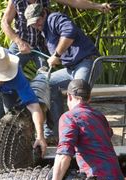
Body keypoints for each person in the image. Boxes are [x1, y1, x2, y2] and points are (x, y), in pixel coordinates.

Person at [45, 79, 126, 180]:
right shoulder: (99, 116)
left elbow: (64, 153)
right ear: (89, 98)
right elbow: (109, 134)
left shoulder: (69, 117)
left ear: (69, 97)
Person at [24, 3, 104, 138]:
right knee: (47, 83)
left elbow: (69, 32)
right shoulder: (44, 30)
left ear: (44, 13)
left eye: (37, 21)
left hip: (87, 62)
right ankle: (56, 132)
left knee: (78, 92)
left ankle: (83, 136)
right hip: (71, 68)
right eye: (33, 23)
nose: (36, 25)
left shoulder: (54, 18)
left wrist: (56, 55)